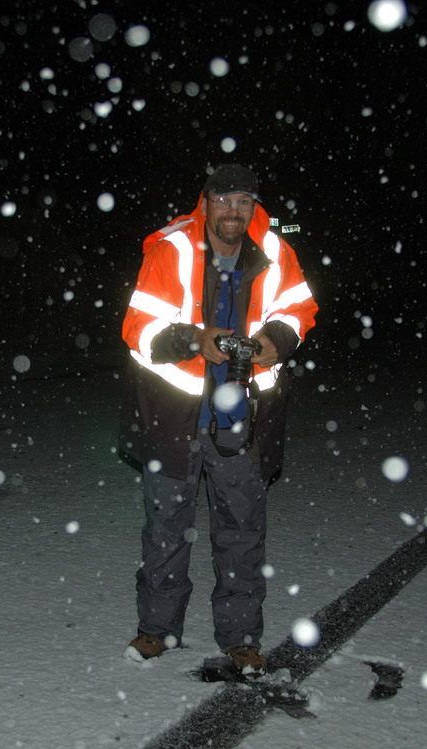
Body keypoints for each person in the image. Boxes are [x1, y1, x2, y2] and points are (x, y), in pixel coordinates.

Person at [118, 164, 318, 676]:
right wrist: (194, 339)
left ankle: (242, 638)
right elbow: (138, 327)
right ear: (205, 202)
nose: (234, 210)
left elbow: (299, 307)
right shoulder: (172, 249)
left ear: (254, 206)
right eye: (224, 200)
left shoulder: (275, 251)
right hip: (174, 416)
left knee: (242, 532)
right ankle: (157, 631)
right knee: (165, 530)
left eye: (244, 201)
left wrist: (278, 338)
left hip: (242, 418)